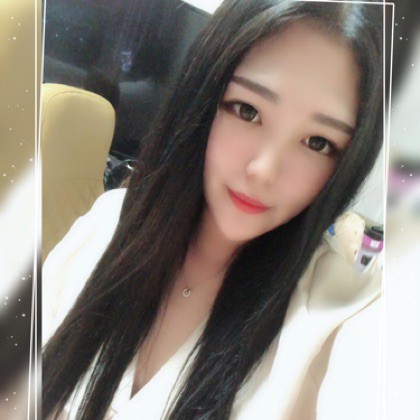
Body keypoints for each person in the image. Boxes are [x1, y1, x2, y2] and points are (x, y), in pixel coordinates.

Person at [42, 1, 384, 419]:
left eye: (318, 143)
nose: (264, 170)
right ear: (202, 98)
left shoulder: (334, 316)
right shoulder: (106, 224)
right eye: (248, 110)